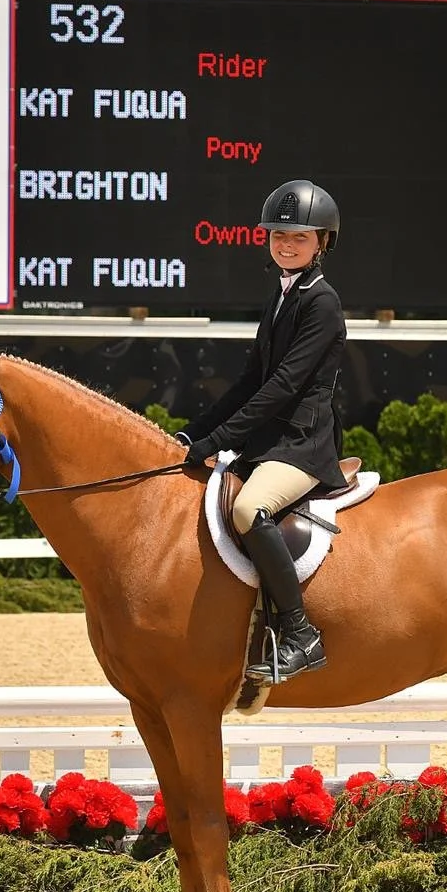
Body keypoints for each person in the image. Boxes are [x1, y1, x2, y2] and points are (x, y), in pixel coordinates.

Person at [178, 179, 348, 686]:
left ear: (322, 242)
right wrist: (194, 434)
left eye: (298, 236)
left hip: (302, 444)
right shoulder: (280, 296)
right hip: (270, 442)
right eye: (278, 234)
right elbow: (251, 381)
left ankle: (300, 634)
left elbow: (282, 387)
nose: (286, 243)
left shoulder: (322, 303)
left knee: (250, 509)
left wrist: (218, 442)